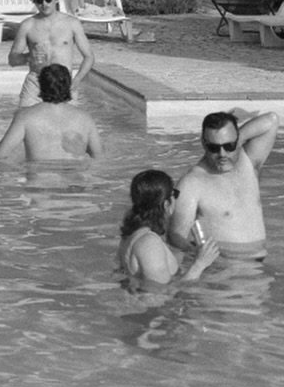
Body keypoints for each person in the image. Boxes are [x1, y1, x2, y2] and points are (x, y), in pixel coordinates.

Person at [168, 107, 279, 259]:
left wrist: (237, 140)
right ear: (203, 143)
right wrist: (198, 255)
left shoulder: (248, 162)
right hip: (227, 271)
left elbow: (271, 120)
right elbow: (175, 237)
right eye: (214, 148)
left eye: (228, 146)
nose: (222, 154)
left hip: (260, 265)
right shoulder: (192, 184)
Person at [119, 171, 220, 284]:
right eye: (174, 194)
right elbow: (161, 295)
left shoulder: (130, 236)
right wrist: (199, 265)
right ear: (166, 204)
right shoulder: (149, 243)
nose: (176, 199)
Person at [0, 63, 103, 161]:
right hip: (74, 182)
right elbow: (97, 156)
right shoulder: (84, 118)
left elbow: (0, 154)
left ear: (40, 86)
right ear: (68, 86)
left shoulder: (25, 116)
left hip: (40, 182)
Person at [8, 0, 94, 107]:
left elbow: (89, 57)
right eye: (39, 1)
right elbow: (12, 60)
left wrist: (75, 82)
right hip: (36, 82)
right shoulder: (27, 25)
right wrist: (29, 56)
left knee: (70, 124)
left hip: (64, 82)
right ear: (35, 2)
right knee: (23, 120)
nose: (44, 4)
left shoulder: (72, 23)